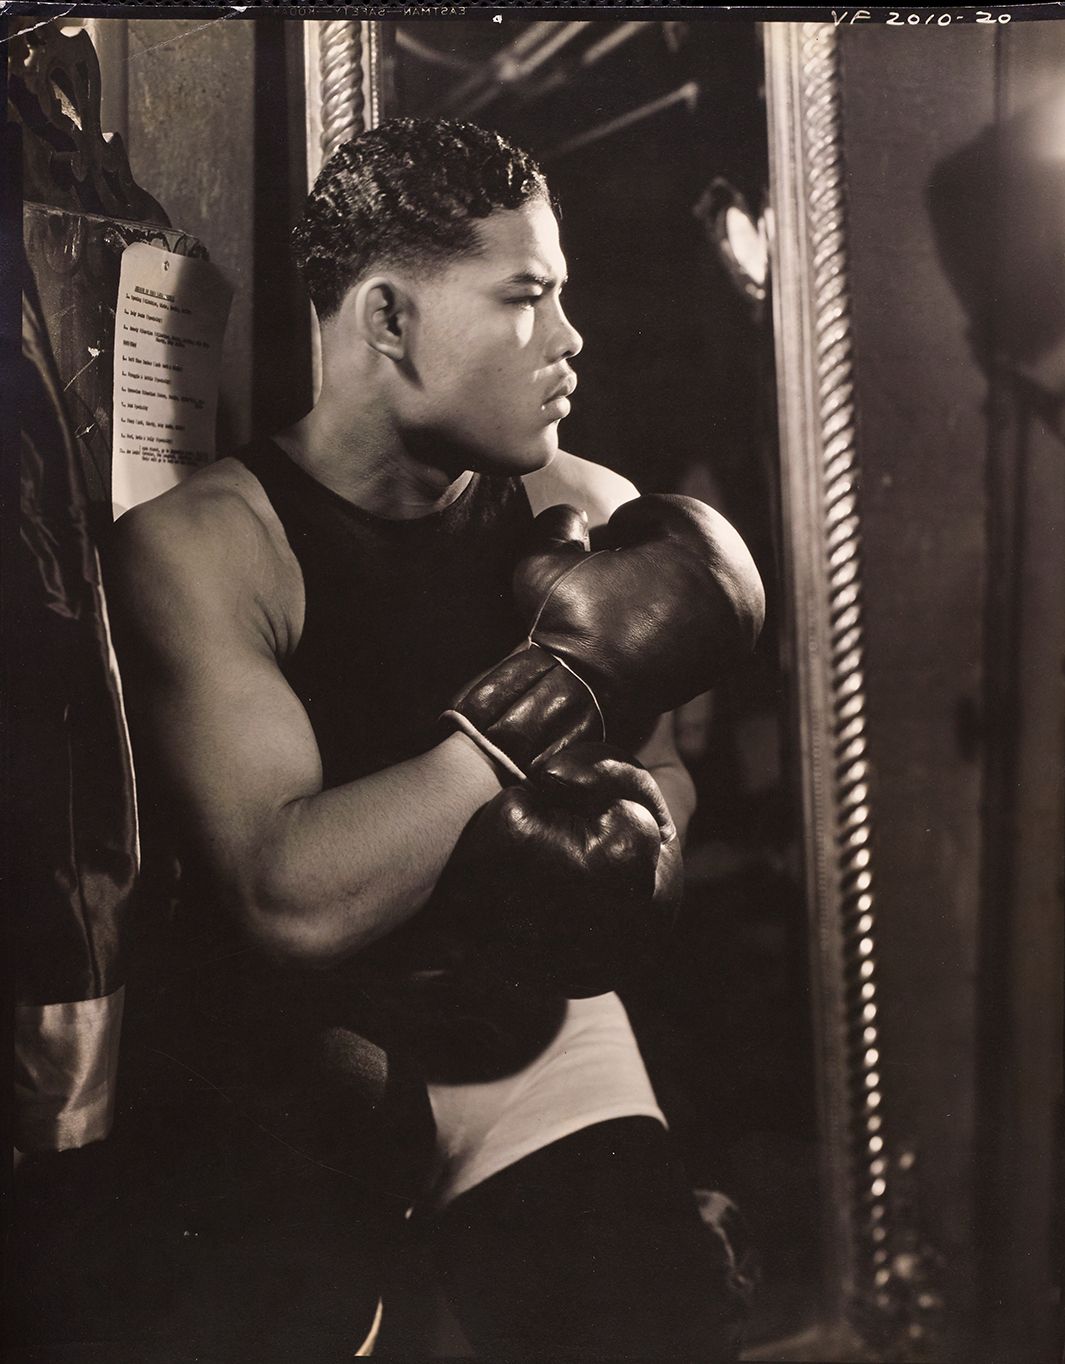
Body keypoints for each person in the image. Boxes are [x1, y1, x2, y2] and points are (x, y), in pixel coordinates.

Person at [106, 117, 763, 1361]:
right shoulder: (209, 546)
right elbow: (282, 896)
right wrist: (550, 694)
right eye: (526, 298)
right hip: (300, 1053)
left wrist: (635, 845)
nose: (570, 341)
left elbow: (665, 772)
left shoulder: (589, 511)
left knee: (658, 1322)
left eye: (562, 293)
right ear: (390, 321)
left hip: (535, 1030)